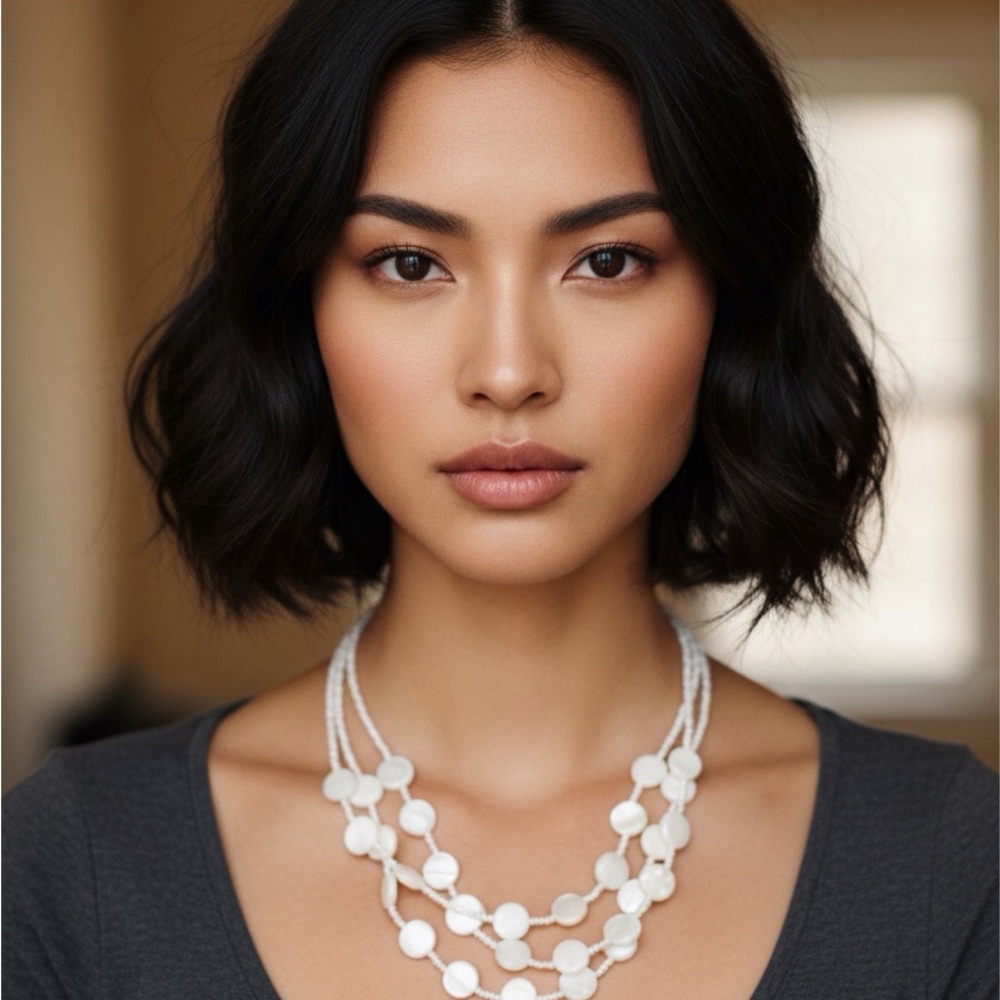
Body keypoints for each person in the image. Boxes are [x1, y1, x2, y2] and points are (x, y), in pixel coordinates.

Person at [4, 0, 996, 997]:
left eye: (607, 261)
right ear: (298, 312)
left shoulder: (947, 867)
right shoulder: (72, 868)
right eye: (409, 263)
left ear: (727, 307)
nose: (509, 370)